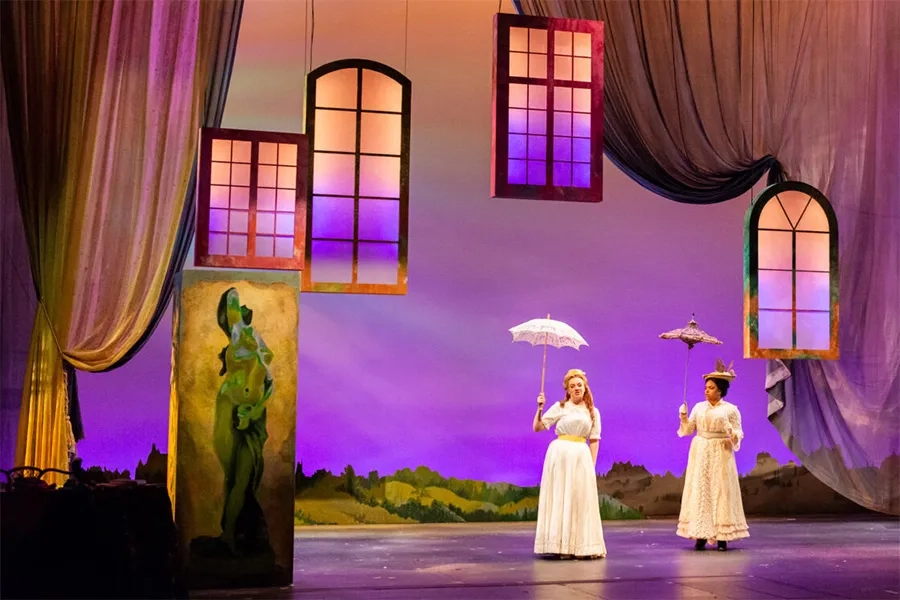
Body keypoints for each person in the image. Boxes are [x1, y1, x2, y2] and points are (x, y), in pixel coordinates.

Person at [532, 368, 607, 559]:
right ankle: (560, 545)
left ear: (585, 387)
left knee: (578, 498)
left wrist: (591, 465)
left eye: (579, 385)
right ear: (567, 389)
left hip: (580, 455)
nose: (576, 388)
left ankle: (580, 546)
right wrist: (540, 408)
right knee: (560, 496)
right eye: (572, 386)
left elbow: (595, 440)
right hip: (560, 454)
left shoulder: (593, 412)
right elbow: (538, 427)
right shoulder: (561, 406)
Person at [677, 358, 749, 551]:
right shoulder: (699, 407)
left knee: (720, 491)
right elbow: (688, 429)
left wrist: (731, 432)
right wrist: (683, 417)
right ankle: (700, 535)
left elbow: (739, 433)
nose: (706, 390)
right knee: (701, 490)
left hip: (720, 451)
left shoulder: (730, 409)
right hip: (701, 450)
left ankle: (722, 537)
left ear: (720, 390)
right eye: (706, 387)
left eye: (711, 388)